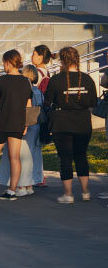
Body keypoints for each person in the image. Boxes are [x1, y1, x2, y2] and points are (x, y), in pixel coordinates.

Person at [45, 46, 97, 204]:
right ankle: (85, 192)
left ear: (62, 60)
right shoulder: (87, 79)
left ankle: (68, 194)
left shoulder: (56, 80)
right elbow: (93, 102)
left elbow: (48, 101)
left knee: (65, 158)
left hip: (62, 123)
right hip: (83, 122)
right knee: (81, 156)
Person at [0, 49, 33, 203]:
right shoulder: (26, 81)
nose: (3, 66)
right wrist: (27, 124)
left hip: (1, 123)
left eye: (4, 62)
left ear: (9, 62)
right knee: (14, 158)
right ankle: (12, 190)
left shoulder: (2, 81)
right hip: (18, 123)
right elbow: (28, 104)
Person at [0, 65, 44, 195]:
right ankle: (29, 184)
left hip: (24, 124)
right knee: (30, 156)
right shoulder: (38, 91)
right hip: (36, 125)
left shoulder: (25, 89)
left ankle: (21, 186)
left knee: (21, 156)